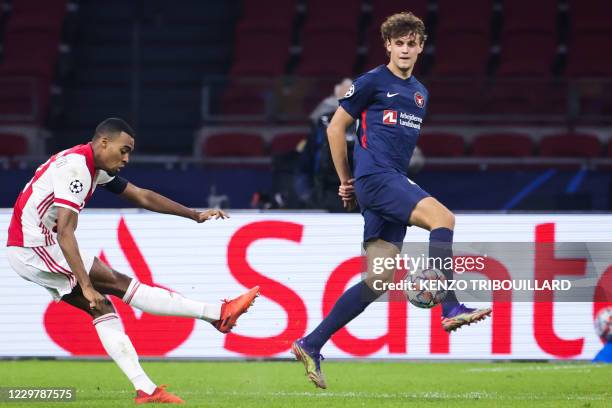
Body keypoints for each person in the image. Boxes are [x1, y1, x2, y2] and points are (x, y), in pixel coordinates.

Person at [292, 12, 491, 389]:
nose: (404, 49)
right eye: (397, 43)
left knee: (377, 281)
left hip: (387, 183)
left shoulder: (420, 93)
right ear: (387, 46)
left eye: (410, 43)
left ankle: (311, 343)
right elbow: (336, 128)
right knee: (443, 218)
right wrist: (346, 179)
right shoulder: (371, 82)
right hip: (376, 180)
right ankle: (449, 306)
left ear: (420, 46)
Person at [5, 118, 260, 404]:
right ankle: (217, 312)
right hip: (34, 246)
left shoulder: (93, 167)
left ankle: (146, 390)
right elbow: (66, 232)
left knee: (102, 307)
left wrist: (194, 214)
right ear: (103, 142)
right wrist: (86, 285)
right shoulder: (76, 168)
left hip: (35, 246)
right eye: (123, 150)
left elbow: (141, 196)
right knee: (117, 285)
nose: (126, 158)